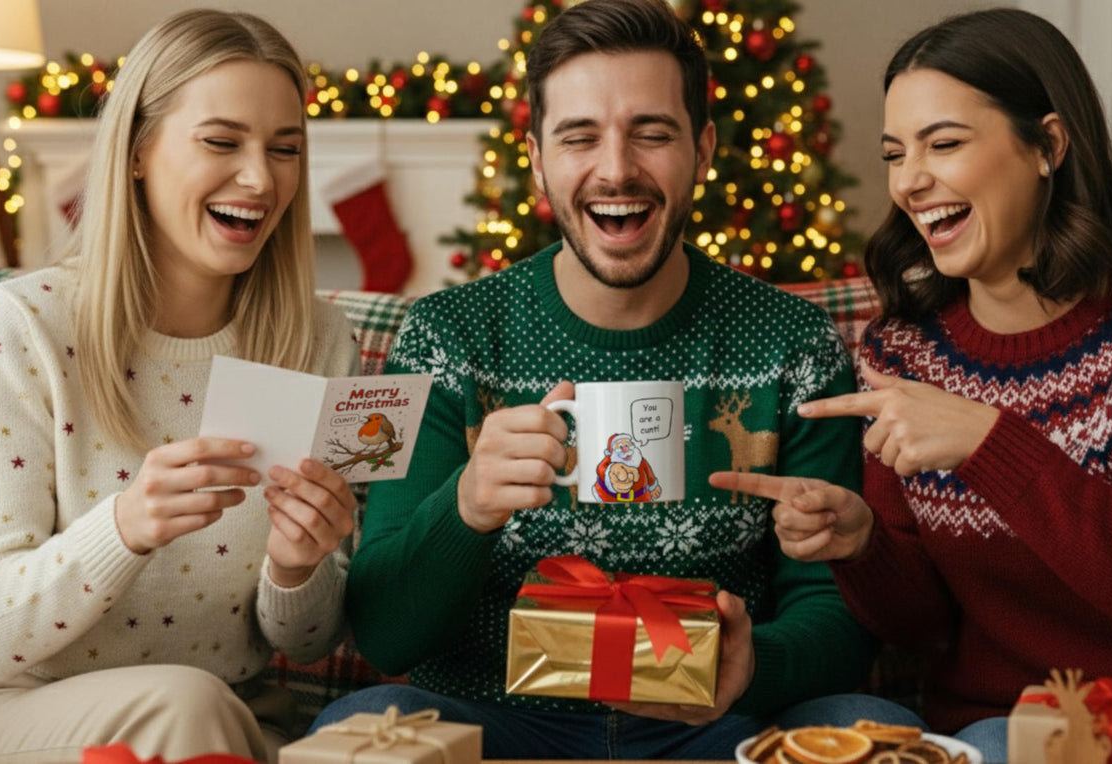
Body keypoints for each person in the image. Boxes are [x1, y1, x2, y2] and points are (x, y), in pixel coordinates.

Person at [304, 0, 900, 757]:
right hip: (493, 722)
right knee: (356, 729)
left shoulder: (793, 343)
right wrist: (466, 506)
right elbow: (385, 636)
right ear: (538, 158)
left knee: (874, 732)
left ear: (704, 148)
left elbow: (834, 614)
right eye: (579, 137)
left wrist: (757, 666)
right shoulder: (446, 339)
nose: (616, 169)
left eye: (652, 133)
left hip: (716, 727)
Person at [712, 8, 1112, 762]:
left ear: (1047, 144)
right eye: (895, 153)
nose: (911, 181)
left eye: (943, 144)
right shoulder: (904, 349)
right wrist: (861, 543)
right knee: (831, 719)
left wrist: (986, 439)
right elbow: (919, 624)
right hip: (986, 723)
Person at [0, 9, 358, 763]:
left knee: (212, 710)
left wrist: (297, 568)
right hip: (21, 716)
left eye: (284, 149)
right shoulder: (24, 326)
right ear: (136, 152)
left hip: (231, 720)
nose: (260, 178)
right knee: (188, 703)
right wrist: (121, 527)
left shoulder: (317, 344)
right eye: (222, 141)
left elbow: (311, 642)